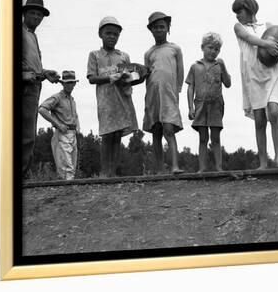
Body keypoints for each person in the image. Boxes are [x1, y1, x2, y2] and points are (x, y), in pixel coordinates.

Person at [231, 0, 278, 170]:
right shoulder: (239, 27)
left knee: (274, 112)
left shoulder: (268, 25)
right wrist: (267, 44)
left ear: (249, 9)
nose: (237, 16)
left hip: (271, 73)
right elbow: (249, 39)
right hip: (253, 76)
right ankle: (263, 163)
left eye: (239, 11)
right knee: (259, 120)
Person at [87, 17, 143, 178]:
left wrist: (137, 76)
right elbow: (91, 78)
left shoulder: (123, 56)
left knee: (118, 134)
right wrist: (110, 78)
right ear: (100, 34)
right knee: (107, 134)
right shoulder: (95, 55)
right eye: (108, 33)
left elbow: (132, 78)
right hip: (105, 100)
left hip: (122, 98)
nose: (112, 37)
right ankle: (104, 172)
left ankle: (113, 172)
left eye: (115, 34)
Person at [21, 0, 59, 178]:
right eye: (33, 13)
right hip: (23, 87)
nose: (36, 17)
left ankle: (22, 175)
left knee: (29, 134)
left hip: (34, 87)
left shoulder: (32, 36)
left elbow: (31, 64)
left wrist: (44, 72)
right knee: (23, 133)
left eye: (39, 14)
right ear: (24, 14)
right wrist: (29, 75)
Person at [143, 11, 184, 174]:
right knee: (156, 131)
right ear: (151, 30)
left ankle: (175, 165)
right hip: (153, 95)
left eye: (162, 27)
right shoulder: (149, 53)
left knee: (168, 128)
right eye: (155, 27)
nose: (159, 30)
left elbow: (180, 72)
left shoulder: (175, 49)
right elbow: (146, 74)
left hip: (169, 94)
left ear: (168, 28)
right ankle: (159, 169)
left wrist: (178, 90)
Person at [186, 32, 231, 173]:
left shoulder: (219, 65)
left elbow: (228, 84)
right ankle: (202, 168)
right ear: (202, 47)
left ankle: (219, 167)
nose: (213, 51)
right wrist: (190, 108)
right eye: (210, 47)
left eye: (217, 49)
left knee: (216, 137)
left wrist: (223, 67)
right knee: (203, 137)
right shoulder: (195, 66)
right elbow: (190, 87)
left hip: (216, 105)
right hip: (200, 105)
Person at [38, 71, 81, 180]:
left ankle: (68, 193)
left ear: (74, 84)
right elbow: (42, 109)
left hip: (72, 134)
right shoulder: (57, 97)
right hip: (62, 134)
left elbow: (75, 115)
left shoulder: (72, 99)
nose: (70, 85)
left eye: (72, 82)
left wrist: (78, 128)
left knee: (72, 168)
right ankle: (67, 193)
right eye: (67, 83)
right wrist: (57, 124)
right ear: (62, 83)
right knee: (66, 168)